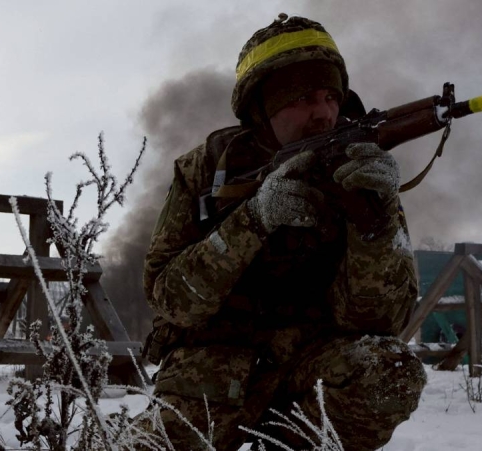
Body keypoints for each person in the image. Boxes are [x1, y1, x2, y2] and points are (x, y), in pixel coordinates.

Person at [139, 14, 426, 450]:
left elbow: (380, 322)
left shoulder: (359, 169)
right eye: (304, 97)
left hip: (311, 366)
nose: (323, 113)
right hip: (211, 375)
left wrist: (375, 224)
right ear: (261, 107)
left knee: (391, 370)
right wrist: (253, 220)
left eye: (332, 97)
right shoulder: (205, 170)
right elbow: (169, 300)